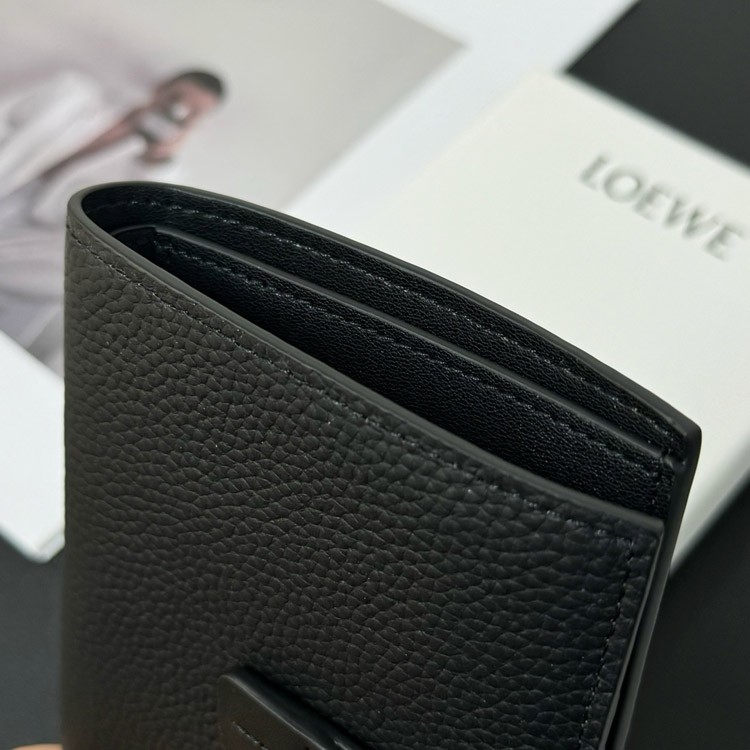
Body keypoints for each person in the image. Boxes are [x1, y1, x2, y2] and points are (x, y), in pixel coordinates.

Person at [0, 68, 225, 373]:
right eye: (176, 99)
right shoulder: (72, 95)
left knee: (90, 265)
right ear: (160, 88)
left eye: (191, 114)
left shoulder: (152, 172)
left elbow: (142, 225)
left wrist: (156, 158)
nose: (178, 111)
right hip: (7, 184)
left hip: (31, 239)